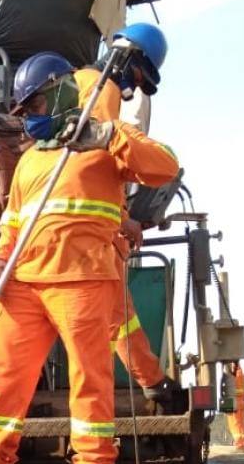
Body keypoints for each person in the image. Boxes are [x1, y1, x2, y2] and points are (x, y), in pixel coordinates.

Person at [0, 52, 180, 464]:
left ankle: (95, 463)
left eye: (33, 107)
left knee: (88, 372)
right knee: (4, 373)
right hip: (22, 281)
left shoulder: (104, 145)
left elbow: (165, 166)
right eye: (22, 112)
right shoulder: (32, 161)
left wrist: (106, 134)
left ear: (59, 94)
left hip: (82, 276)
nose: (28, 118)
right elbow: (14, 221)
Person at [74, 23, 179, 405]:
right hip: (85, 234)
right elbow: (89, 161)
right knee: (107, 321)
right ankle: (149, 381)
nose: (136, 86)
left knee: (120, 314)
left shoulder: (84, 84)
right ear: (128, 58)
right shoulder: (98, 87)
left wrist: (123, 218)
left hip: (91, 227)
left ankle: (151, 379)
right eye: (139, 75)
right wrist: (120, 219)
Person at [225, 360, 244, 451]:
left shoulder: (237, 376)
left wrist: (230, 392)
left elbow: (239, 390)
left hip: (236, 403)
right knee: (241, 424)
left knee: (235, 425)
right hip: (241, 402)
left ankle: (240, 446)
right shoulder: (242, 376)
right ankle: (243, 444)